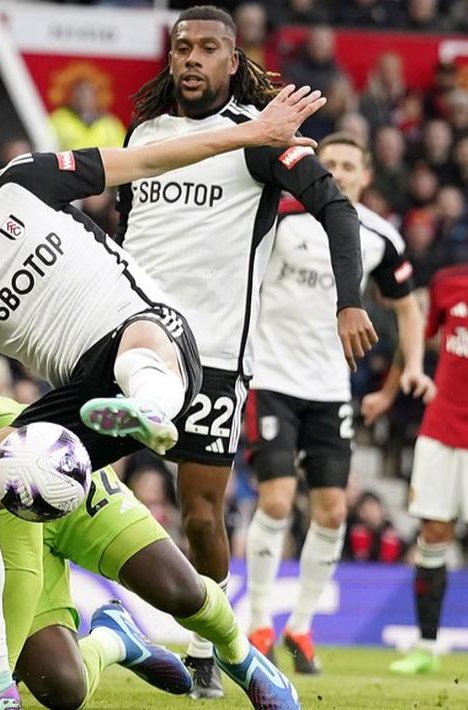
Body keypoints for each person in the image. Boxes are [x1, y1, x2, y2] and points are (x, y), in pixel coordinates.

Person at [0, 82, 324, 708]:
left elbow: (142, 161)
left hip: (148, 327)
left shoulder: (22, 183)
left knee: (138, 351)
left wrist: (251, 135)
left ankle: (239, 654)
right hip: (77, 401)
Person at [115, 6, 376, 695]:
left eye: (208, 48)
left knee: (199, 512)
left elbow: (337, 210)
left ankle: (210, 635)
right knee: (62, 477)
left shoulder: (260, 138)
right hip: (126, 341)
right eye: (181, 48)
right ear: (169, 59)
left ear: (233, 62)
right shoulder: (143, 132)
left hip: (214, 359)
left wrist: (349, 299)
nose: (192, 59)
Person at [0, 345, 297, 710]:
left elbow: (20, 568)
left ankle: (244, 659)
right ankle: (116, 640)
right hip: (6, 542)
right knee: (63, 691)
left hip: (79, 505)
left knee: (179, 591)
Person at [244, 132, 436, 673]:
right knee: (277, 502)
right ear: (314, 168)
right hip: (272, 380)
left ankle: (300, 629)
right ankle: (259, 622)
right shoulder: (277, 217)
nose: (341, 172)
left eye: (350, 165)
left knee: (332, 511)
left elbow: (408, 311)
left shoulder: (378, 236)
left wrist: (404, 376)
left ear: (366, 175)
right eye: (331, 164)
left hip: (331, 392)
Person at [386, 264, 468, 675]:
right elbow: (420, 334)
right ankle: (426, 646)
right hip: (440, 430)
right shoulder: (448, 282)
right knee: (434, 534)